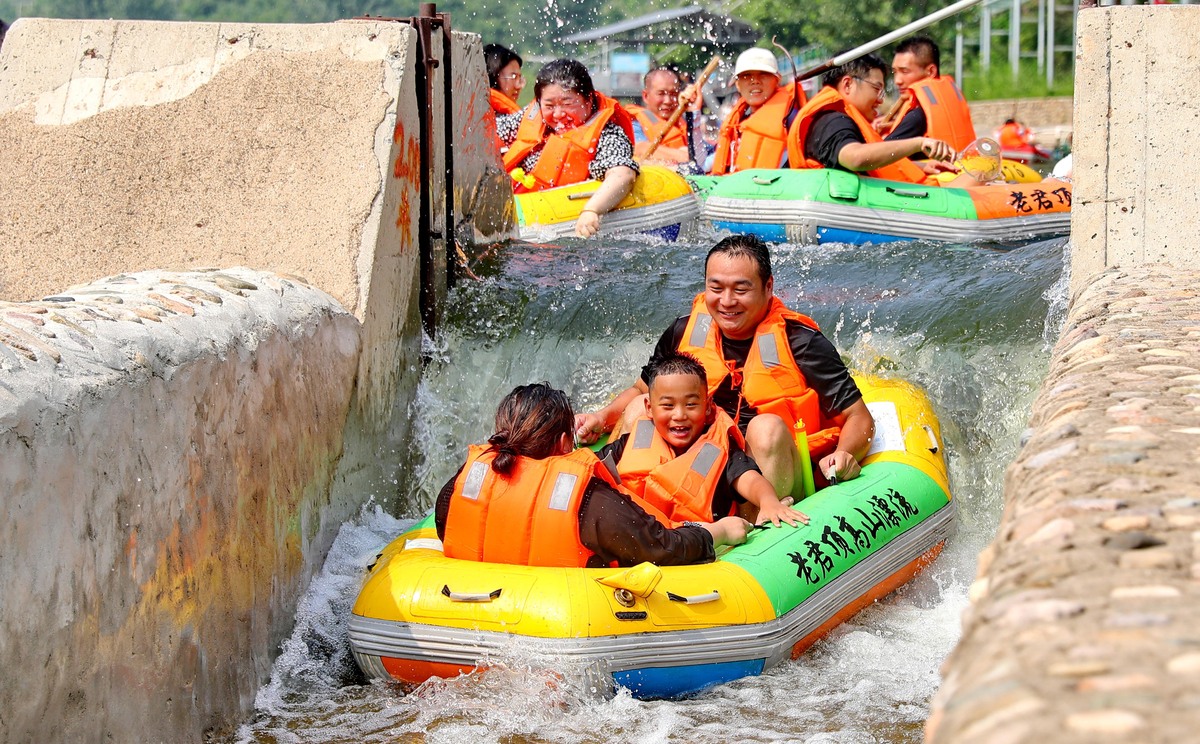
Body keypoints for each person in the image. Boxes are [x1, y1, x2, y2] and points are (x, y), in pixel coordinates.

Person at [575, 235, 875, 501]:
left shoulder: (801, 343)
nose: (726, 302)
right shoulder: (683, 333)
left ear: (768, 287)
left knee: (765, 428)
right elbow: (642, 390)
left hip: (771, 475)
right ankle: (617, 505)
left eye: (741, 289)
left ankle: (766, 531)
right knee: (641, 407)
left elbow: (859, 417)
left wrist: (844, 454)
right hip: (702, 465)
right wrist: (600, 418)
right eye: (715, 288)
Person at [436, 383, 752, 568]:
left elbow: (445, 529)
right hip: (566, 620)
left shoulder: (463, 482)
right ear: (564, 443)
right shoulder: (588, 500)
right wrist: (716, 532)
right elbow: (661, 548)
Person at [598, 351, 807, 527]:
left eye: (690, 405)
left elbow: (750, 480)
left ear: (707, 408)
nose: (679, 415)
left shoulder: (718, 449)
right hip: (650, 536)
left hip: (708, 539)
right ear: (650, 410)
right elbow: (593, 467)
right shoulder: (632, 443)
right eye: (668, 406)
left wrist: (768, 501)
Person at [786, 53, 983, 188]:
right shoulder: (832, 121)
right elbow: (855, 158)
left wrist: (919, 166)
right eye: (876, 88)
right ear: (848, 84)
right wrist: (919, 144)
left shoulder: (833, 118)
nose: (881, 98)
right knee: (982, 173)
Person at [497, 59, 639, 238]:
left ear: (588, 101)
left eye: (567, 104)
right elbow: (489, 135)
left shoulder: (607, 134)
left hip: (553, 225)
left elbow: (623, 175)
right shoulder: (531, 118)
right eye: (549, 105)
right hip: (514, 209)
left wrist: (592, 210)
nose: (557, 114)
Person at [709, 47, 806, 175]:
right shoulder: (737, 124)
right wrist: (693, 114)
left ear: (777, 80)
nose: (755, 81)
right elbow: (708, 162)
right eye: (746, 75)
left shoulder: (791, 119)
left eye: (763, 74)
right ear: (737, 84)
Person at [874, 35, 977, 151]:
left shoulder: (917, 116)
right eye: (895, 72)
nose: (897, 81)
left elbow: (877, 157)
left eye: (905, 71)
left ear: (931, 71)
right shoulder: (945, 105)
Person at [624, 68, 702, 173]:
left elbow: (704, 159)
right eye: (661, 94)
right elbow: (639, 148)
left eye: (673, 94)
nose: (668, 101)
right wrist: (685, 155)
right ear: (646, 96)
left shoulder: (683, 122)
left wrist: (694, 111)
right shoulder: (635, 123)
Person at [484, 43, 524, 115]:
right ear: (493, 78)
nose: (519, 86)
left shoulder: (510, 119)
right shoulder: (480, 117)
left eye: (519, 78)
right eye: (513, 77)